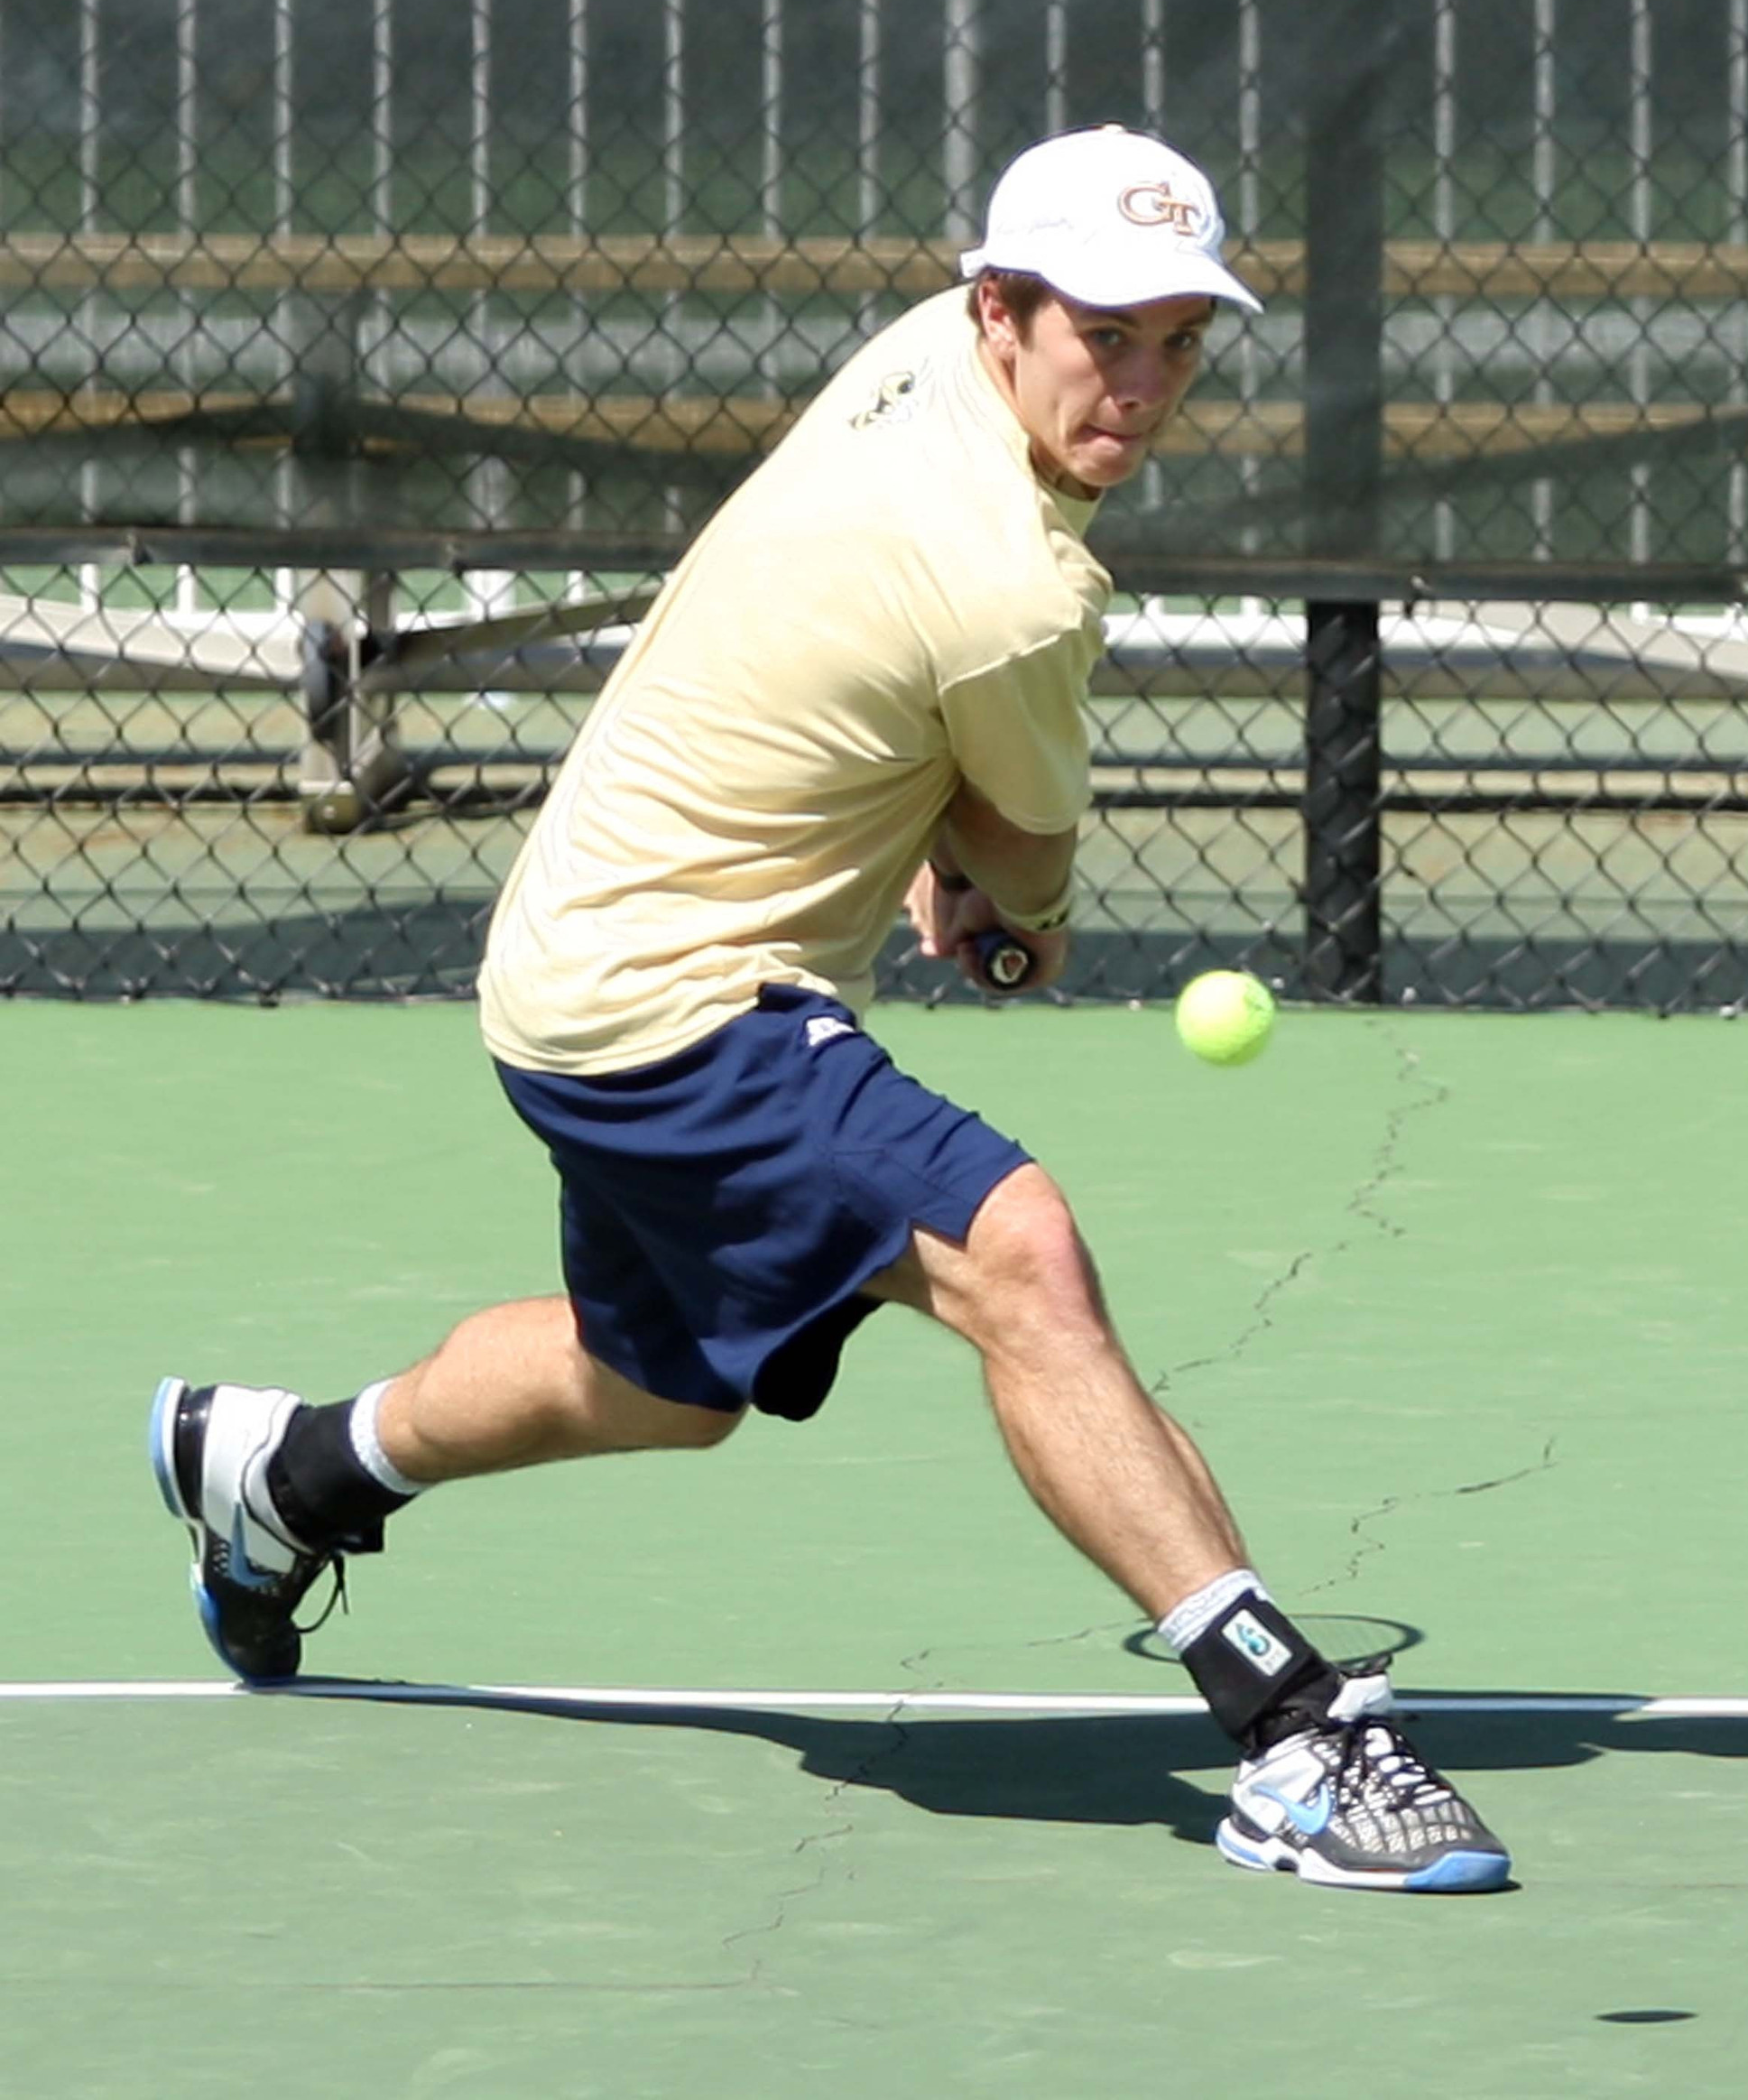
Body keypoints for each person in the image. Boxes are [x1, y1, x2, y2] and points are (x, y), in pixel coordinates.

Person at [149, 125, 1510, 1893]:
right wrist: (1007, 921)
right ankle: (1293, 1737)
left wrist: (939, 841)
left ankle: (287, 1470)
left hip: (568, 959)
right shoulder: (1019, 582)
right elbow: (1014, 847)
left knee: (656, 1379)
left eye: (1182, 337)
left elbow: (908, 714)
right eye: (1109, 333)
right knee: (1015, 1251)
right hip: (679, 993)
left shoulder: (918, 363)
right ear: (1002, 308)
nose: (1147, 382)